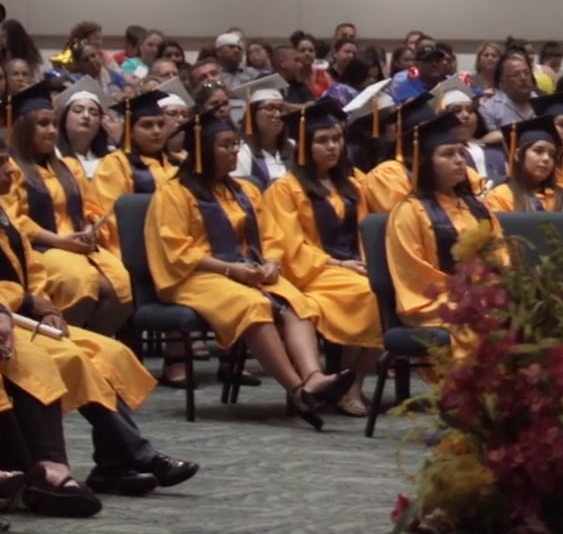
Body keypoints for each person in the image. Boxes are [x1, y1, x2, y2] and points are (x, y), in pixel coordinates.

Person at [0, 146, 199, 505]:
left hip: (22, 316)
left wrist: (43, 302)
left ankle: (113, 463)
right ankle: (119, 459)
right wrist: (21, 301)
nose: (12, 170)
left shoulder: (3, 215)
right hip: (8, 322)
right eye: (1, 162)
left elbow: (31, 271)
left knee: (108, 352)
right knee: (74, 359)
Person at [145, 110, 353, 430]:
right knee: (255, 305)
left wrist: (270, 263)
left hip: (244, 271)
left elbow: (270, 235)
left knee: (299, 302)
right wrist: (230, 270)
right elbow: (177, 251)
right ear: (203, 151)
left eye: (235, 144)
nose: (234, 152)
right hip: (192, 277)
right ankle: (296, 391)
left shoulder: (245, 191)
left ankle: (313, 377)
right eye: (226, 145)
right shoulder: (174, 193)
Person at [262, 99, 381, 417]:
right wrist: (340, 264)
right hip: (312, 272)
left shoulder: (353, 182)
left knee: (391, 291)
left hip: (353, 267)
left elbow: (367, 232)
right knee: (368, 293)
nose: (333, 146)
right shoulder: (285, 189)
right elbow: (291, 245)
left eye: (337, 139)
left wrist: (367, 263)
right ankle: (347, 385)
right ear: (304, 144)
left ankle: (351, 381)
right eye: (323, 140)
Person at [3, 81, 132, 336]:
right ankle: (65, 347)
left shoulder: (69, 167)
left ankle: (95, 352)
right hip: (42, 249)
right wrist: (61, 241)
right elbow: (12, 220)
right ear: (23, 128)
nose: (52, 131)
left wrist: (88, 228)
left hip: (77, 245)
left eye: (53, 123)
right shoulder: (12, 170)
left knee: (122, 286)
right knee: (79, 282)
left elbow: (90, 207)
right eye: (43, 124)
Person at [384, 109, 507, 329]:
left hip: (482, 296)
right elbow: (414, 274)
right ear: (425, 161)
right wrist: (468, 292)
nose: (460, 161)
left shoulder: (476, 208)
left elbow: (500, 255)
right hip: (434, 302)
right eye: (448, 154)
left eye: (461, 153)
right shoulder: (408, 212)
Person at [481, 116, 563, 213]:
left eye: (552, 155)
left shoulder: (562, 198)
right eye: (538, 151)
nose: (546, 158)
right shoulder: (500, 196)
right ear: (517, 155)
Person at [54, 79, 112, 178]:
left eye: (93, 113)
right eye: (78, 110)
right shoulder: (53, 156)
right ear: (65, 118)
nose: (86, 116)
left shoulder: (110, 159)